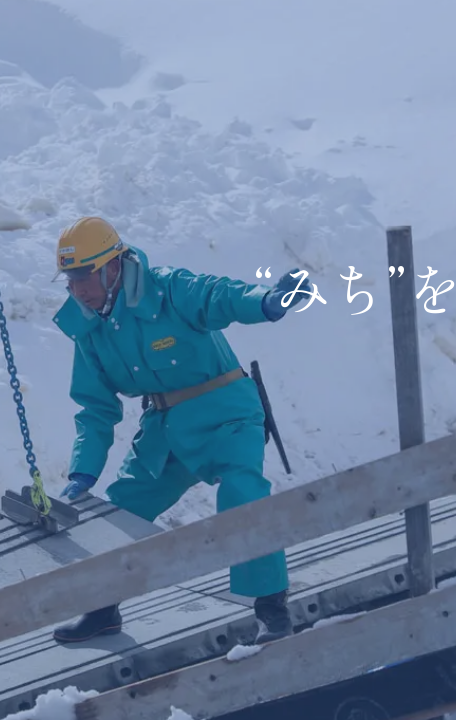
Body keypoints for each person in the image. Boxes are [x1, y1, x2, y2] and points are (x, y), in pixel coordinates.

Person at [47, 216, 305, 647]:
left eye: (85, 276)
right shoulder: (87, 326)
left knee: (242, 493)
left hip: (227, 413)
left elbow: (219, 296)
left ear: (114, 266)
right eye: (70, 280)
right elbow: (95, 407)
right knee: (120, 509)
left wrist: (266, 302)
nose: (79, 289)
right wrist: (82, 474)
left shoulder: (168, 288)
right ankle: (102, 611)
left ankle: (271, 609)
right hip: (164, 429)